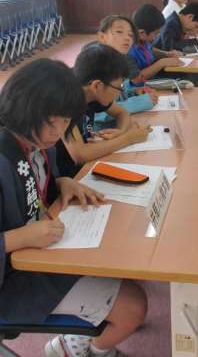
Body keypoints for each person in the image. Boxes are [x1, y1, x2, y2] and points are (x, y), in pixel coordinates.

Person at [0, 59, 147, 357]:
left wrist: (61, 182)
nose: (60, 130)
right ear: (25, 109)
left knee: (121, 253)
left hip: (43, 252)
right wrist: (19, 238)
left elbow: (35, 190)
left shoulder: (38, 144)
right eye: (53, 120)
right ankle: (72, 348)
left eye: (67, 121)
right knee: (134, 307)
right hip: (14, 278)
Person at [55, 44, 150, 178]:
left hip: (89, 164)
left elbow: (122, 113)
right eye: (119, 87)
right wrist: (128, 138)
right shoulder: (66, 101)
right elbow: (80, 154)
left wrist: (120, 131)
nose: (120, 92)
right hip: (70, 177)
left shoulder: (93, 92)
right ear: (97, 86)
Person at [97, 14, 158, 108]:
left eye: (130, 35)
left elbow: (114, 96)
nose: (127, 38)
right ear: (102, 37)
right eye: (119, 32)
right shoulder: (96, 63)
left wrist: (133, 93)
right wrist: (139, 103)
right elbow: (99, 113)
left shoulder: (119, 59)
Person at [128, 4, 183, 85]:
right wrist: (162, 63)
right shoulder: (127, 49)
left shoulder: (143, 41)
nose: (158, 35)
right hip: (137, 89)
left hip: (150, 83)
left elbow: (150, 50)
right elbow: (136, 79)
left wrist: (166, 54)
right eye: (156, 33)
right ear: (142, 33)